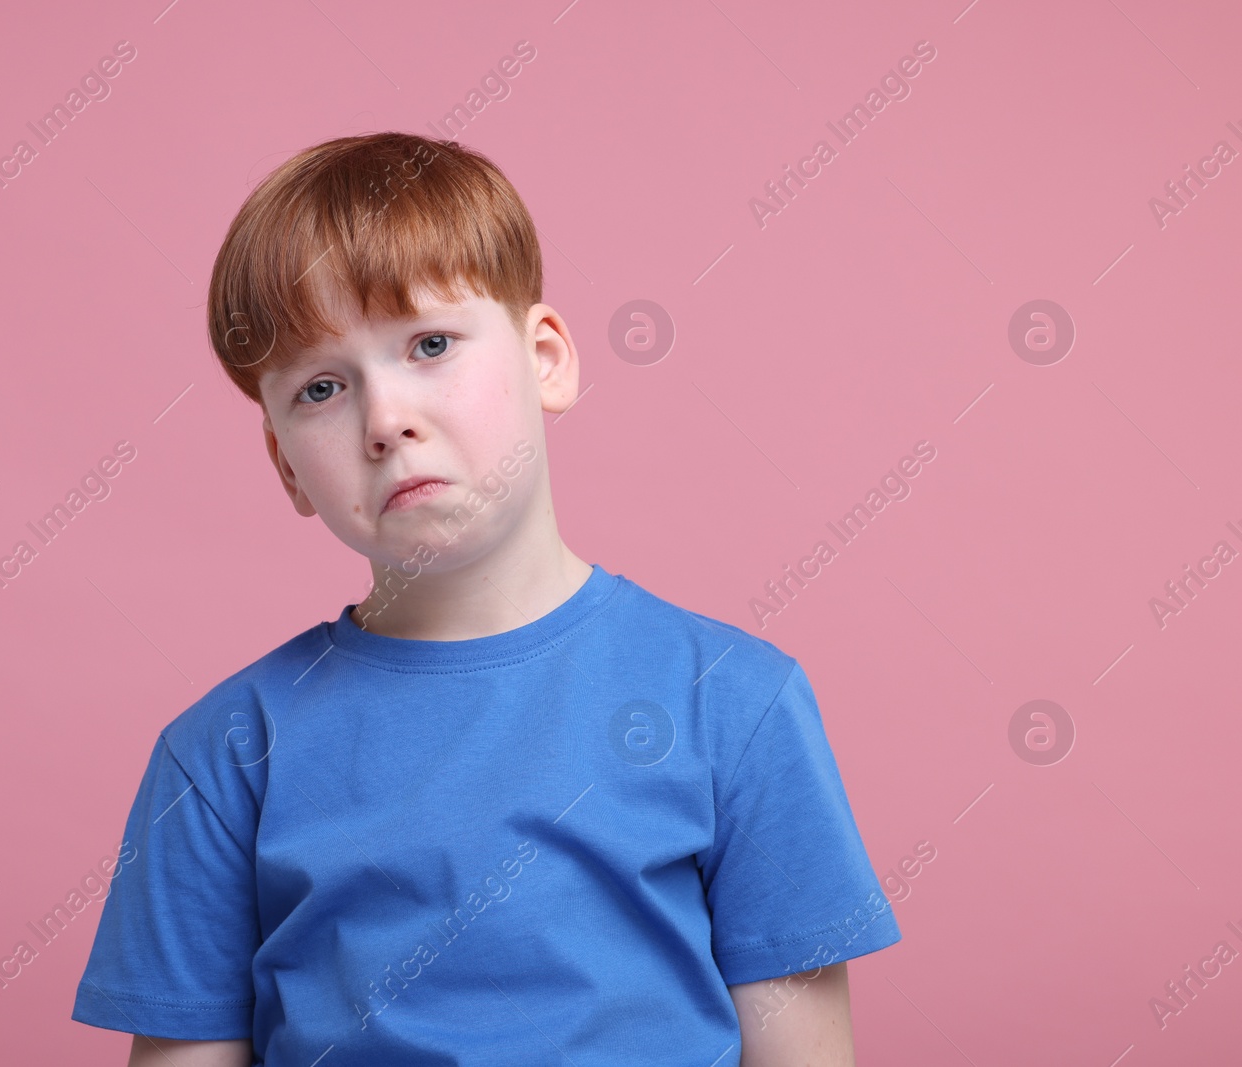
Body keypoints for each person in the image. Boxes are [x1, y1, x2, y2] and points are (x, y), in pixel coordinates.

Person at [70, 131, 902, 1066]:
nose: (386, 420)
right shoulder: (221, 755)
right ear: (285, 465)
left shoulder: (735, 701)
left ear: (546, 357)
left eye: (430, 343)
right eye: (320, 388)